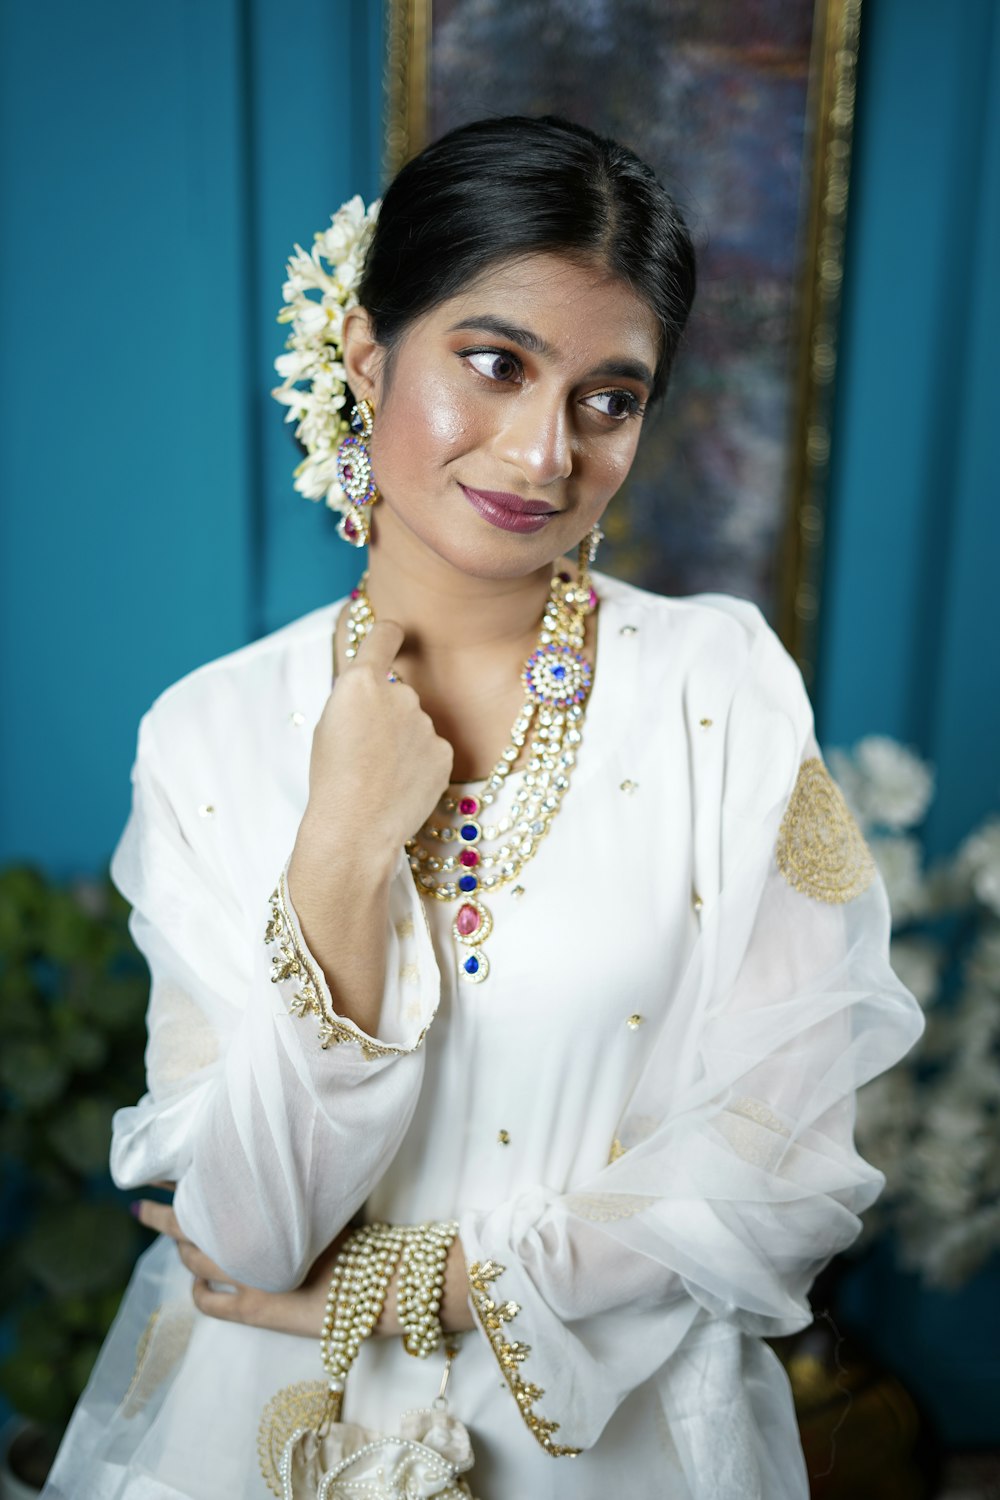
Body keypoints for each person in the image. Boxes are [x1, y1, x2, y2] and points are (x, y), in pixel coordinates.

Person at [42, 115, 923, 1500]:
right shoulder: (208, 737)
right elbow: (248, 1239)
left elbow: (783, 1166)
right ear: (365, 354)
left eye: (608, 398)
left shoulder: (719, 691)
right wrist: (339, 845)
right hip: (266, 1430)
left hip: (617, 1438)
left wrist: (414, 1287)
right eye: (496, 363)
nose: (543, 453)